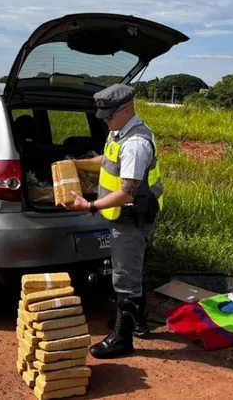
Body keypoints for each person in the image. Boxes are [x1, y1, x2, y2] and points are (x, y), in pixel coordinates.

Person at [65, 83, 163, 359]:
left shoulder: (135, 144)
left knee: (125, 279)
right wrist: (79, 164)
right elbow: (106, 160)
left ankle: (122, 339)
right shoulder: (120, 133)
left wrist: (90, 206)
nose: (105, 120)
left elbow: (127, 192)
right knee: (132, 269)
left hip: (131, 219)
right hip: (126, 218)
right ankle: (138, 323)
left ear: (126, 109)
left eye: (109, 115)